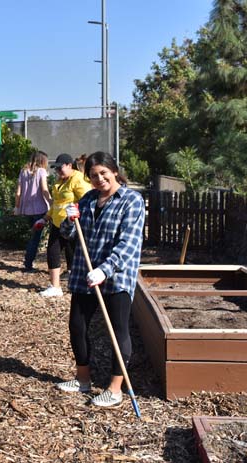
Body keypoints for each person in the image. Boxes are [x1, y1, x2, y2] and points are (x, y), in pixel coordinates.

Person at [55, 151, 145, 408]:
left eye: (103, 173)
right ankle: (83, 379)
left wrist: (106, 269)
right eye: (93, 175)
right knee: (78, 326)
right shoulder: (87, 200)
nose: (99, 179)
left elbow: (129, 243)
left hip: (116, 276)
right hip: (86, 273)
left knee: (117, 331)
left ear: (114, 171)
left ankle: (115, 389)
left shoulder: (131, 200)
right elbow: (68, 235)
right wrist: (70, 220)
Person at [33, 153, 92, 297]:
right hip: (58, 223)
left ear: (69, 166)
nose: (58, 171)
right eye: (56, 169)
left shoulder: (78, 180)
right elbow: (56, 204)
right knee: (52, 251)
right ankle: (55, 286)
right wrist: (45, 218)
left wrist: (78, 211)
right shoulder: (59, 182)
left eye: (61, 168)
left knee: (75, 253)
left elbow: (88, 200)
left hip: (74, 224)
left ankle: (79, 284)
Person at [14, 151, 52, 272]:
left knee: (33, 236)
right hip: (40, 208)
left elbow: (18, 192)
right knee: (36, 237)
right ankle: (28, 262)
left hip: (27, 209)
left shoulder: (23, 172)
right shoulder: (41, 171)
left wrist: (17, 207)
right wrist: (52, 203)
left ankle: (29, 261)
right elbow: (44, 189)